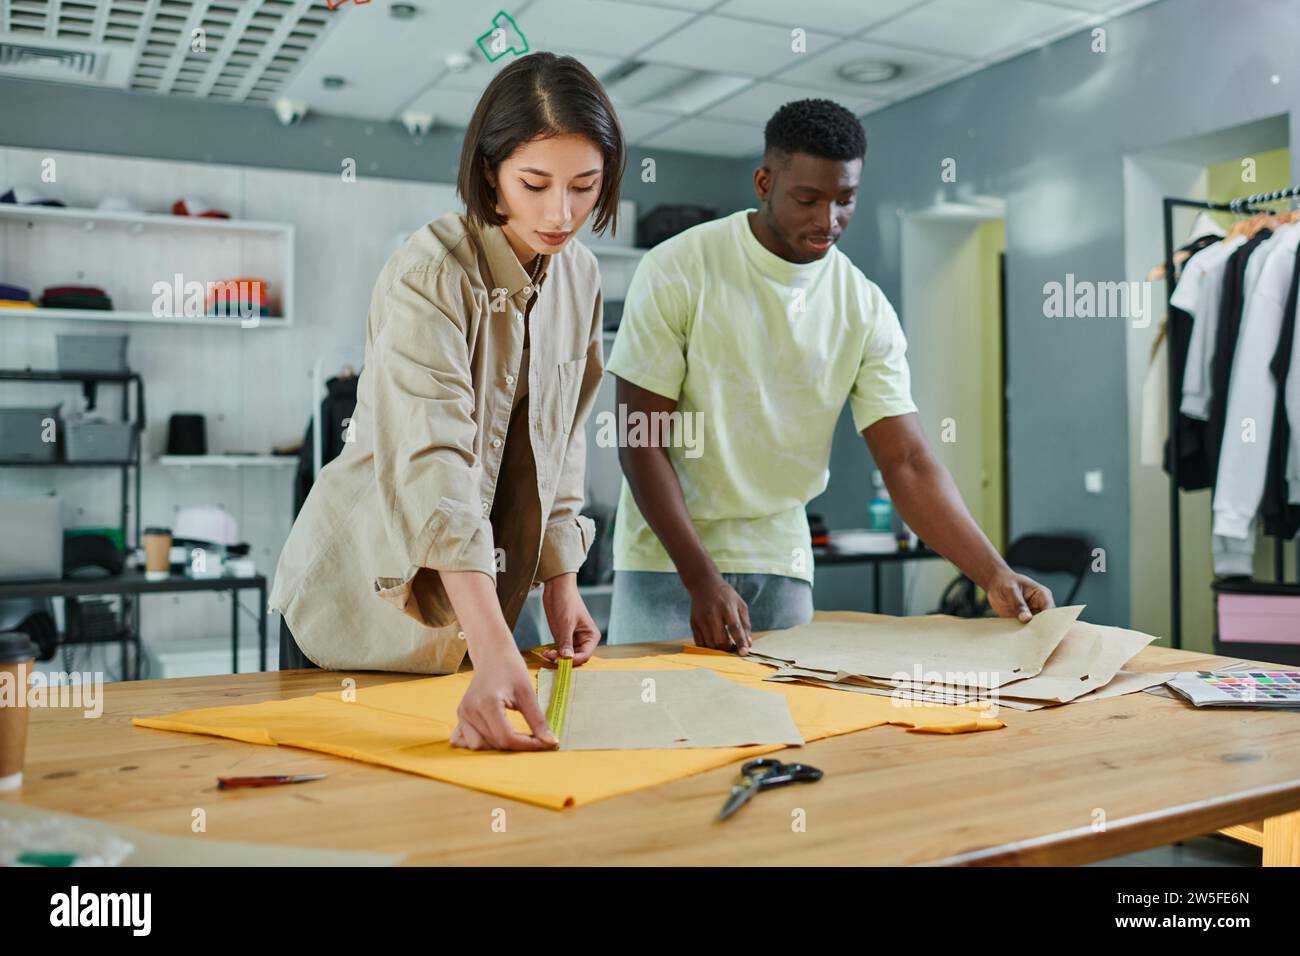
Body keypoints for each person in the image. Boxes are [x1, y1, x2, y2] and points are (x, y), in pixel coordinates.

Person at [269, 52, 625, 750]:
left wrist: (561, 580)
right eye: (535, 184)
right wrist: (497, 646)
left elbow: (565, 438)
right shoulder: (431, 272)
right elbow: (436, 464)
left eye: (585, 187)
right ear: (490, 175)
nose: (562, 213)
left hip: (476, 616)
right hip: (360, 610)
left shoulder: (579, 275)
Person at [606, 98, 1053, 652]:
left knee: (789, 730)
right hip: (667, 564)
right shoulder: (678, 267)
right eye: (808, 199)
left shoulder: (863, 305)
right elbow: (640, 441)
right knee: (659, 726)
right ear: (764, 182)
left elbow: (907, 461)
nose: (828, 221)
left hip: (783, 561)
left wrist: (993, 573)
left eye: (846, 200)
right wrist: (701, 578)